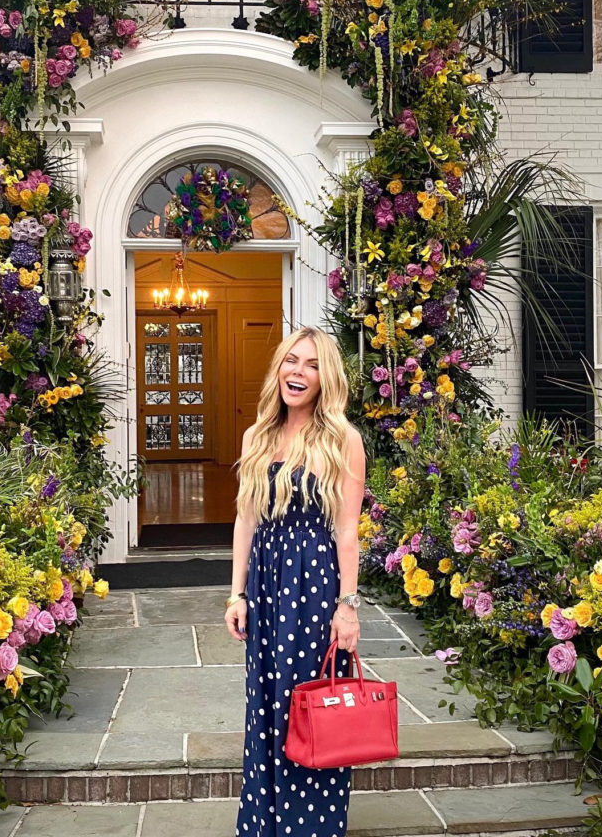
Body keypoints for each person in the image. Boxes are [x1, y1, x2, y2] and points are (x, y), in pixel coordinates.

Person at [225, 325, 366, 837]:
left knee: (311, 705)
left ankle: (312, 826)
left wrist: (347, 607)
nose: (297, 372)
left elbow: (347, 531)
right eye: (290, 361)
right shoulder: (257, 436)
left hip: (314, 587)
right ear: (278, 370)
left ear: (324, 377)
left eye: (309, 364)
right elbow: (245, 520)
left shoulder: (343, 441)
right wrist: (236, 593)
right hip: (265, 586)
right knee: (266, 702)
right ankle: (266, 823)